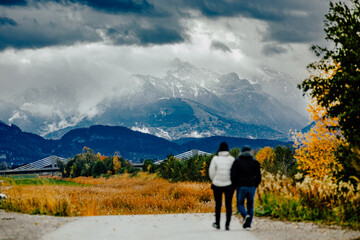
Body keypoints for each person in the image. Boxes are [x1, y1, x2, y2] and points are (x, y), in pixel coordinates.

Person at [231, 146, 261, 230]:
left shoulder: (237, 162)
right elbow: (258, 176)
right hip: (252, 186)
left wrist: (234, 185)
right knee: (250, 205)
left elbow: (233, 175)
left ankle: (245, 215)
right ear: (250, 152)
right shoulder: (255, 162)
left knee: (240, 204)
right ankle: (248, 225)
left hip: (241, 186)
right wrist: (256, 184)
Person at [208, 142, 235, 231]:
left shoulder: (215, 158)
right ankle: (227, 224)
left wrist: (214, 180)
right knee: (228, 205)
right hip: (229, 185)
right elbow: (235, 172)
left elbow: (211, 171)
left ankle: (217, 223)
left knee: (218, 204)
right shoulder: (232, 159)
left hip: (217, 185)